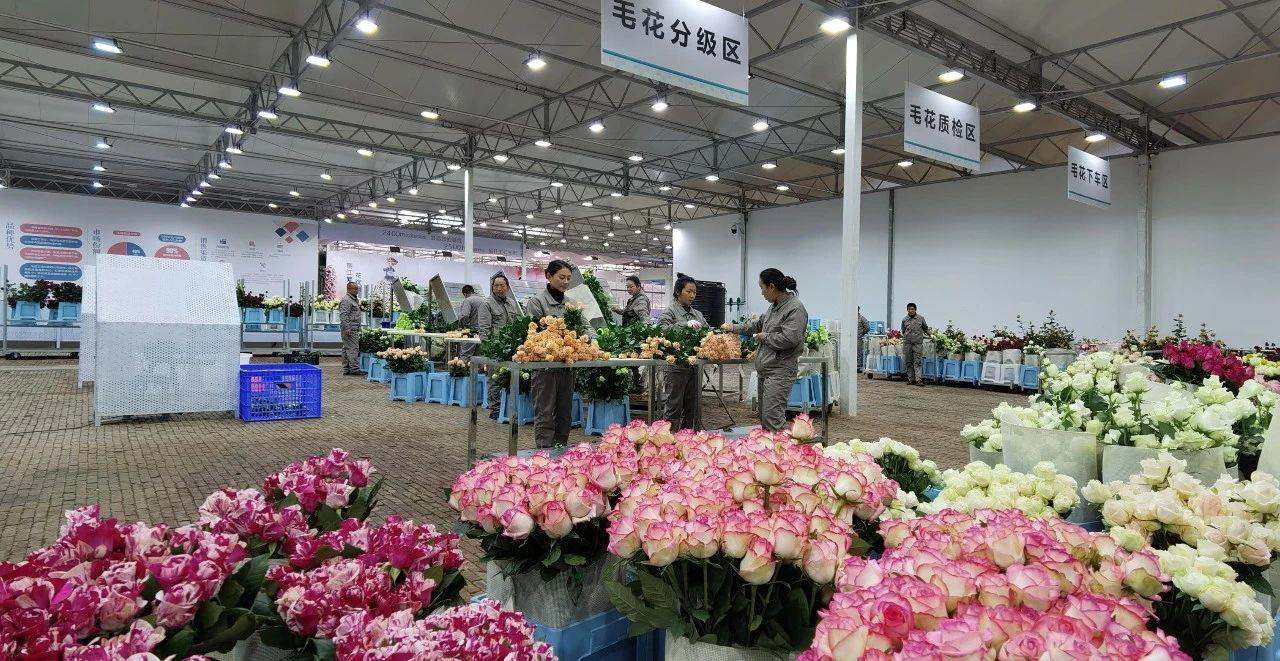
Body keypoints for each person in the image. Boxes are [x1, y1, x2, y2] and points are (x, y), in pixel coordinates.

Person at [725, 268, 808, 432]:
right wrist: (733, 328)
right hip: (766, 369)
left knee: (772, 418)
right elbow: (757, 325)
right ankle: (768, 447)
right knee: (765, 417)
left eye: (762, 288)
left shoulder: (795, 308)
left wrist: (765, 337)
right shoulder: (773, 307)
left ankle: (778, 447)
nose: (762, 293)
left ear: (771, 286)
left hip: (780, 371)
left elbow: (790, 339)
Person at [524, 260, 577, 448]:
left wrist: (594, 340)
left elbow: (584, 326)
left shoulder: (571, 304)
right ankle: (545, 453)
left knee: (565, 413)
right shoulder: (537, 302)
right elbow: (533, 333)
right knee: (544, 412)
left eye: (568, 278)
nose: (565, 282)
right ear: (548, 276)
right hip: (545, 367)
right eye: (561, 277)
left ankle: (561, 451)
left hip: (567, 366)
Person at [656, 274, 706, 431]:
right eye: (689, 291)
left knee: (692, 406)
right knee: (674, 404)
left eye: (694, 292)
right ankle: (668, 439)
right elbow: (662, 330)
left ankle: (688, 438)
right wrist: (684, 324)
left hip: (694, 366)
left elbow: (707, 333)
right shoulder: (670, 312)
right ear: (678, 292)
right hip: (676, 367)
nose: (692, 295)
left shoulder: (698, 315)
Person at [478, 272, 524, 419]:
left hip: (511, 348)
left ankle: (508, 407)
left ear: (507, 287)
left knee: (509, 378)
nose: (499, 288)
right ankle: (496, 409)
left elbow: (517, 323)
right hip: (495, 349)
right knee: (495, 379)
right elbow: (484, 330)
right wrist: (489, 349)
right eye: (496, 286)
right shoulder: (486, 304)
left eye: (502, 285)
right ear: (492, 288)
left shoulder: (511, 303)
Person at [339, 281, 364, 375]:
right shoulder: (346, 300)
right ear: (349, 289)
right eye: (355, 289)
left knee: (347, 348)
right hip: (350, 329)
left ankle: (347, 369)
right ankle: (354, 369)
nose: (357, 291)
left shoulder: (353, 299)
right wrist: (347, 328)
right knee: (353, 348)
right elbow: (344, 315)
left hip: (353, 327)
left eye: (357, 289)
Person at [901, 302, 929, 386]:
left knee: (918, 361)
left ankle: (918, 380)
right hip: (908, 344)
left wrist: (931, 335)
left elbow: (925, 328)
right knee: (909, 362)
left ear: (915, 310)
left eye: (912, 309)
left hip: (917, 344)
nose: (911, 310)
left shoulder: (921, 318)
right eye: (909, 309)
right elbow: (903, 331)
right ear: (907, 310)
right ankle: (911, 379)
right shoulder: (904, 320)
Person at [455, 284, 481, 359]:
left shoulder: (468, 300)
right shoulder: (482, 300)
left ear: (465, 294)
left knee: (465, 355)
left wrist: (461, 325)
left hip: (472, 332)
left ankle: (462, 366)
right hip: (482, 331)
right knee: (477, 356)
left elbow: (465, 315)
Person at [857, 307, 869, 372]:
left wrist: (862, 333)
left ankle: (859, 367)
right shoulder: (851, 318)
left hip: (858, 338)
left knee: (858, 352)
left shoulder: (861, 318)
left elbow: (867, 327)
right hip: (851, 338)